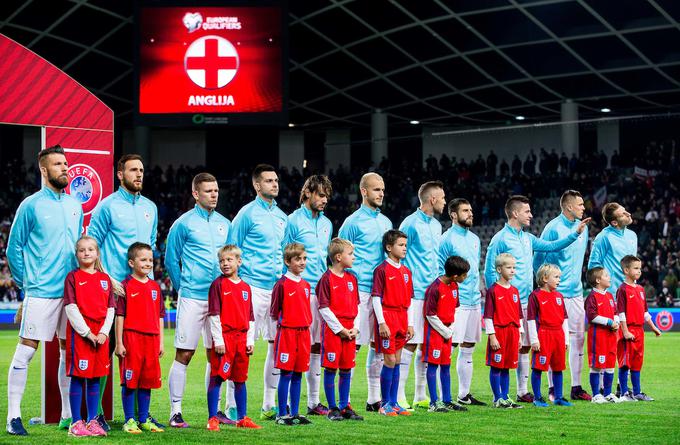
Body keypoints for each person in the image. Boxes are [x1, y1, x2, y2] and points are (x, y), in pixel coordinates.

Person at [6, 145, 83, 436]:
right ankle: (13, 418)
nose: (65, 168)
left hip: (71, 293)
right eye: (58, 164)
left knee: (67, 351)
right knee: (27, 350)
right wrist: (28, 285)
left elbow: (80, 247)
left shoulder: (75, 205)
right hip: (41, 291)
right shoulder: (31, 205)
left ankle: (66, 415)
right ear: (43, 169)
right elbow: (14, 248)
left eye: (65, 163)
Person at [484, 195, 588, 403]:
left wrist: (575, 234)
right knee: (507, 347)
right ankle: (503, 395)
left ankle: (522, 391)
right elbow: (489, 270)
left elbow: (553, 246)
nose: (531, 215)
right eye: (527, 211)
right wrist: (495, 298)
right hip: (507, 303)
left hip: (526, 300)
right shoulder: (500, 239)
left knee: (525, 346)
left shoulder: (528, 238)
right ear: (515, 213)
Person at [88, 153, 158, 431]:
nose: (139, 174)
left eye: (141, 170)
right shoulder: (106, 207)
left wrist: (149, 282)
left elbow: (150, 246)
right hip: (113, 289)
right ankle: (97, 414)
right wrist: (107, 278)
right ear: (120, 174)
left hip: (143, 292)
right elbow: (93, 244)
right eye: (133, 170)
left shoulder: (150, 207)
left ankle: (141, 417)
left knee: (143, 353)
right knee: (104, 353)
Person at [165, 173, 231, 428]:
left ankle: (214, 412)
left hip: (219, 300)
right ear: (195, 194)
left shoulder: (226, 223)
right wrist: (185, 288)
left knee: (216, 354)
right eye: (208, 191)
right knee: (184, 353)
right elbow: (172, 260)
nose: (214, 194)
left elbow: (231, 259)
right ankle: (175, 411)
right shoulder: (183, 224)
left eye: (216, 190)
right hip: (193, 297)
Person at [228, 164, 288, 420]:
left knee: (276, 346)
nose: (274, 184)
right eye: (268, 181)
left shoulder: (283, 217)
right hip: (251, 287)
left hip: (276, 288)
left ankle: (268, 403)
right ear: (256, 185)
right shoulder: (246, 214)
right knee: (241, 346)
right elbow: (232, 248)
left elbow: (285, 252)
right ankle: (231, 404)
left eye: (275, 180)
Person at [338, 173, 392, 412]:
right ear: (364, 191)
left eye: (382, 189)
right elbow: (339, 256)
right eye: (376, 189)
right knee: (352, 345)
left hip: (380, 294)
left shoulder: (387, 223)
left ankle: (373, 399)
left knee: (377, 346)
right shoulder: (352, 223)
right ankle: (344, 400)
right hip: (358, 292)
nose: (381, 193)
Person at [533, 190, 591, 401]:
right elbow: (537, 259)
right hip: (554, 294)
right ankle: (551, 388)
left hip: (576, 293)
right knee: (553, 342)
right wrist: (545, 288)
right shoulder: (552, 228)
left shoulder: (583, 228)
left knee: (578, 339)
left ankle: (576, 386)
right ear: (568, 207)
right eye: (580, 204)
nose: (583, 207)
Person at [284, 175, 333, 416]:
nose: (324, 200)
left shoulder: (327, 224)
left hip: (320, 292)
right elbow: (282, 253)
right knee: (291, 346)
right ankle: (277, 403)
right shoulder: (292, 220)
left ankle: (313, 403)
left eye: (326, 196)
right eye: (320, 195)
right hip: (298, 291)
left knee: (316, 346)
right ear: (307, 194)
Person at [397, 181, 445, 410]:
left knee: (427, 345)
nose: (445, 202)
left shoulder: (437, 226)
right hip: (414, 293)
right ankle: (398, 395)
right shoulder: (410, 223)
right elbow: (399, 255)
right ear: (432, 199)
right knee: (410, 343)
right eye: (443, 198)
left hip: (433, 294)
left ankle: (419, 394)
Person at [63, 237, 115, 437]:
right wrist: (87, 333)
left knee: (95, 377)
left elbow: (111, 308)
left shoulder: (105, 279)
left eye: (90, 249)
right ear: (76, 254)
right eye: (82, 250)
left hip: (101, 336)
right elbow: (71, 307)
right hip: (82, 336)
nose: (86, 253)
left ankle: (92, 420)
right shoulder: (72, 277)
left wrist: (103, 332)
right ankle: (76, 422)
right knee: (78, 377)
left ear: (97, 253)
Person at [205, 245, 260, 430]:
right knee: (218, 376)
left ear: (239, 261)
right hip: (225, 339)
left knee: (240, 379)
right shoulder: (217, 285)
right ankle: (213, 417)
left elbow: (250, 317)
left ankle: (242, 418)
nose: (225, 264)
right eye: (221, 261)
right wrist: (218, 341)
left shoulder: (246, 288)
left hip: (242, 339)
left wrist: (250, 341)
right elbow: (213, 315)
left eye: (229, 260)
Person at [437, 198, 486, 407]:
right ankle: (443, 397)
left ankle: (464, 394)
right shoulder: (446, 239)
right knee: (448, 347)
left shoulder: (475, 238)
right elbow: (440, 270)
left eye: (471, 209)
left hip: (474, 300)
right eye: (465, 210)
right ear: (454, 215)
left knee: (468, 347)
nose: (470, 213)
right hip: (456, 302)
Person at [115, 243, 165, 434]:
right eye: (143, 259)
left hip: (151, 340)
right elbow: (120, 316)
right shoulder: (125, 286)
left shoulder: (155, 287)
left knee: (147, 380)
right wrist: (119, 343)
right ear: (131, 262)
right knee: (130, 381)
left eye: (151, 260)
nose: (148, 263)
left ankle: (143, 419)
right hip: (132, 338)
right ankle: (129, 420)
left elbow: (160, 316)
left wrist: (160, 341)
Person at [317, 238, 363, 421]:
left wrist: (355, 328)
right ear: (338, 257)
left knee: (346, 369)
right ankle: (332, 408)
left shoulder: (352, 279)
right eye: (350, 254)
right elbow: (324, 308)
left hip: (350, 331)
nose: (353, 257)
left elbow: (357, 305)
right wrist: (340, 329)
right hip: (334, 332)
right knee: (331, 368)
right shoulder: (326, 279)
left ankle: (345, 406)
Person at [371, 230, 414, 417]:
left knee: (397, 360)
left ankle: (394, 402)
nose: (404, 248)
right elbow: (376, 298)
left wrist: (410, 324)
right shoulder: (381, 270)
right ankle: (384, 403)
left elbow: (410, 300)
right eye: (400, 245)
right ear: (389, 248)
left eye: (405, 245)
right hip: (388, 317)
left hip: (402, 317)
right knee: (388, 360)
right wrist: (381, 323)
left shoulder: (406, 272)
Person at [270, 243, 312, 426]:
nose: (302, 262)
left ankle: (295, 412)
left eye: (304, 258)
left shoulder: (306, 285)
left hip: (303, 334)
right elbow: (273, 313)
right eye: (298, 259)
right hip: (287, 333)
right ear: (287, 261)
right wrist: (276, 337)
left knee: (298, 374)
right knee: (286, 373)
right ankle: (281, 413)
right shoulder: (281, 284)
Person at [422, 255, 470, 413]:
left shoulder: (454, 286)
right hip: (435, 332)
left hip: (447, 332)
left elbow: (455, 308)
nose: (466, 277)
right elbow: (430, 314)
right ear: (455, 276)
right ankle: (433, 402)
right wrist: (446, 331)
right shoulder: (434, 288)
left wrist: (451, 329)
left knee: (445, 366)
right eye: (464, 275)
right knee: (433, 365)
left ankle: (447, 400)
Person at [616, 255, 662, 402]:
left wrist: (654, 327)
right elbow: (621, 312)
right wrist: (625, 331)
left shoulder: (641, 289)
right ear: (626, 270)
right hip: (627, 330)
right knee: (625, 363)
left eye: (640, 268)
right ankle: (624, 393)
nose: (639, 271)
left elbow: (645, 312)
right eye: (636, 268)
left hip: (639, 331)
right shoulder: (622, 290)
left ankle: (637, 392)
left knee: (637, 362)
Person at [526, 264, 571, 408]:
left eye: (559, 277)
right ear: (545, 278)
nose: (559, 280)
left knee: (558, 367)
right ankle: (537, 398)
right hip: (543, 335)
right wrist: (534, 340)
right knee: (538, 367)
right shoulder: (535, 296)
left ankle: (558, 397)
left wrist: (566, 339)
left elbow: (564, 319)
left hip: (558, 334)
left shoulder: (559, 296)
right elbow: (531, 319)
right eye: (556, 277)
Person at [484, 253, 523, 409]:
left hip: (513, 333)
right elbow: (487, 316)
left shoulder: (515, 291)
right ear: (499, 269)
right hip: (499, 332)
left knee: (507, 366)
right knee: (497, 366)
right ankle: (497, 398)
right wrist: (492, 336)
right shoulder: (493, 290)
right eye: (509, 267)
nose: (512, 270)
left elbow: (519, 315)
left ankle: (505, 397)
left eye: (514, 267)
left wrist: (520, 335)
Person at [584, 267, 620, 404]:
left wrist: (616, 321)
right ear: (598, 280)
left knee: (610, 364)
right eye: (606, 275)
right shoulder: (592, 297)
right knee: (597, 365)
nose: (609, 277)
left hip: (611, 335)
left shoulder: (610, 296)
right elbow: (592, 316)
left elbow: (615, 312)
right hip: (598, 336)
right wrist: (610, 322)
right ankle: (595, 395)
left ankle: (608, 393)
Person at [587, 202, 638, 295]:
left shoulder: (632, 235)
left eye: (625, 211)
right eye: (623, 214)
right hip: (612, 295)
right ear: (614, 222)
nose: (628, 214)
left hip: (631, 293)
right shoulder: (604, 237)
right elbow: (593, 266)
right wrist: (602, 292)